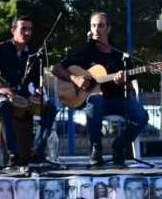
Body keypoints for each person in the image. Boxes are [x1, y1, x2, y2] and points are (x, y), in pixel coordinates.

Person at [52, 12, 150, 167]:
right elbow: (56, 69)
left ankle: (119, 145)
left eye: (101, 26)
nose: (96, 29)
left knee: (142, 116)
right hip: (96, 102)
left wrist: (123, 82)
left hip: (118, 99)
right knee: (94, 100)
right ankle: (95, 149)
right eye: (93, 25)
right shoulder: (85, 51)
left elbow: (130, 87)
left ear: (108, 29)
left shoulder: (120, 55)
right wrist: (75, 79)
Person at [0, 15, 57, 164]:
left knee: (50, 108)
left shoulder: (34, 53)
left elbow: (36, 80)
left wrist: (37, 91)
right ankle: (13, 154)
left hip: (25, 96)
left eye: (30, 29)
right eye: (23, 29)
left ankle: (38, 152)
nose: (27, 33)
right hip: (4, 94)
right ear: (13, 30)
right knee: (5, 106)